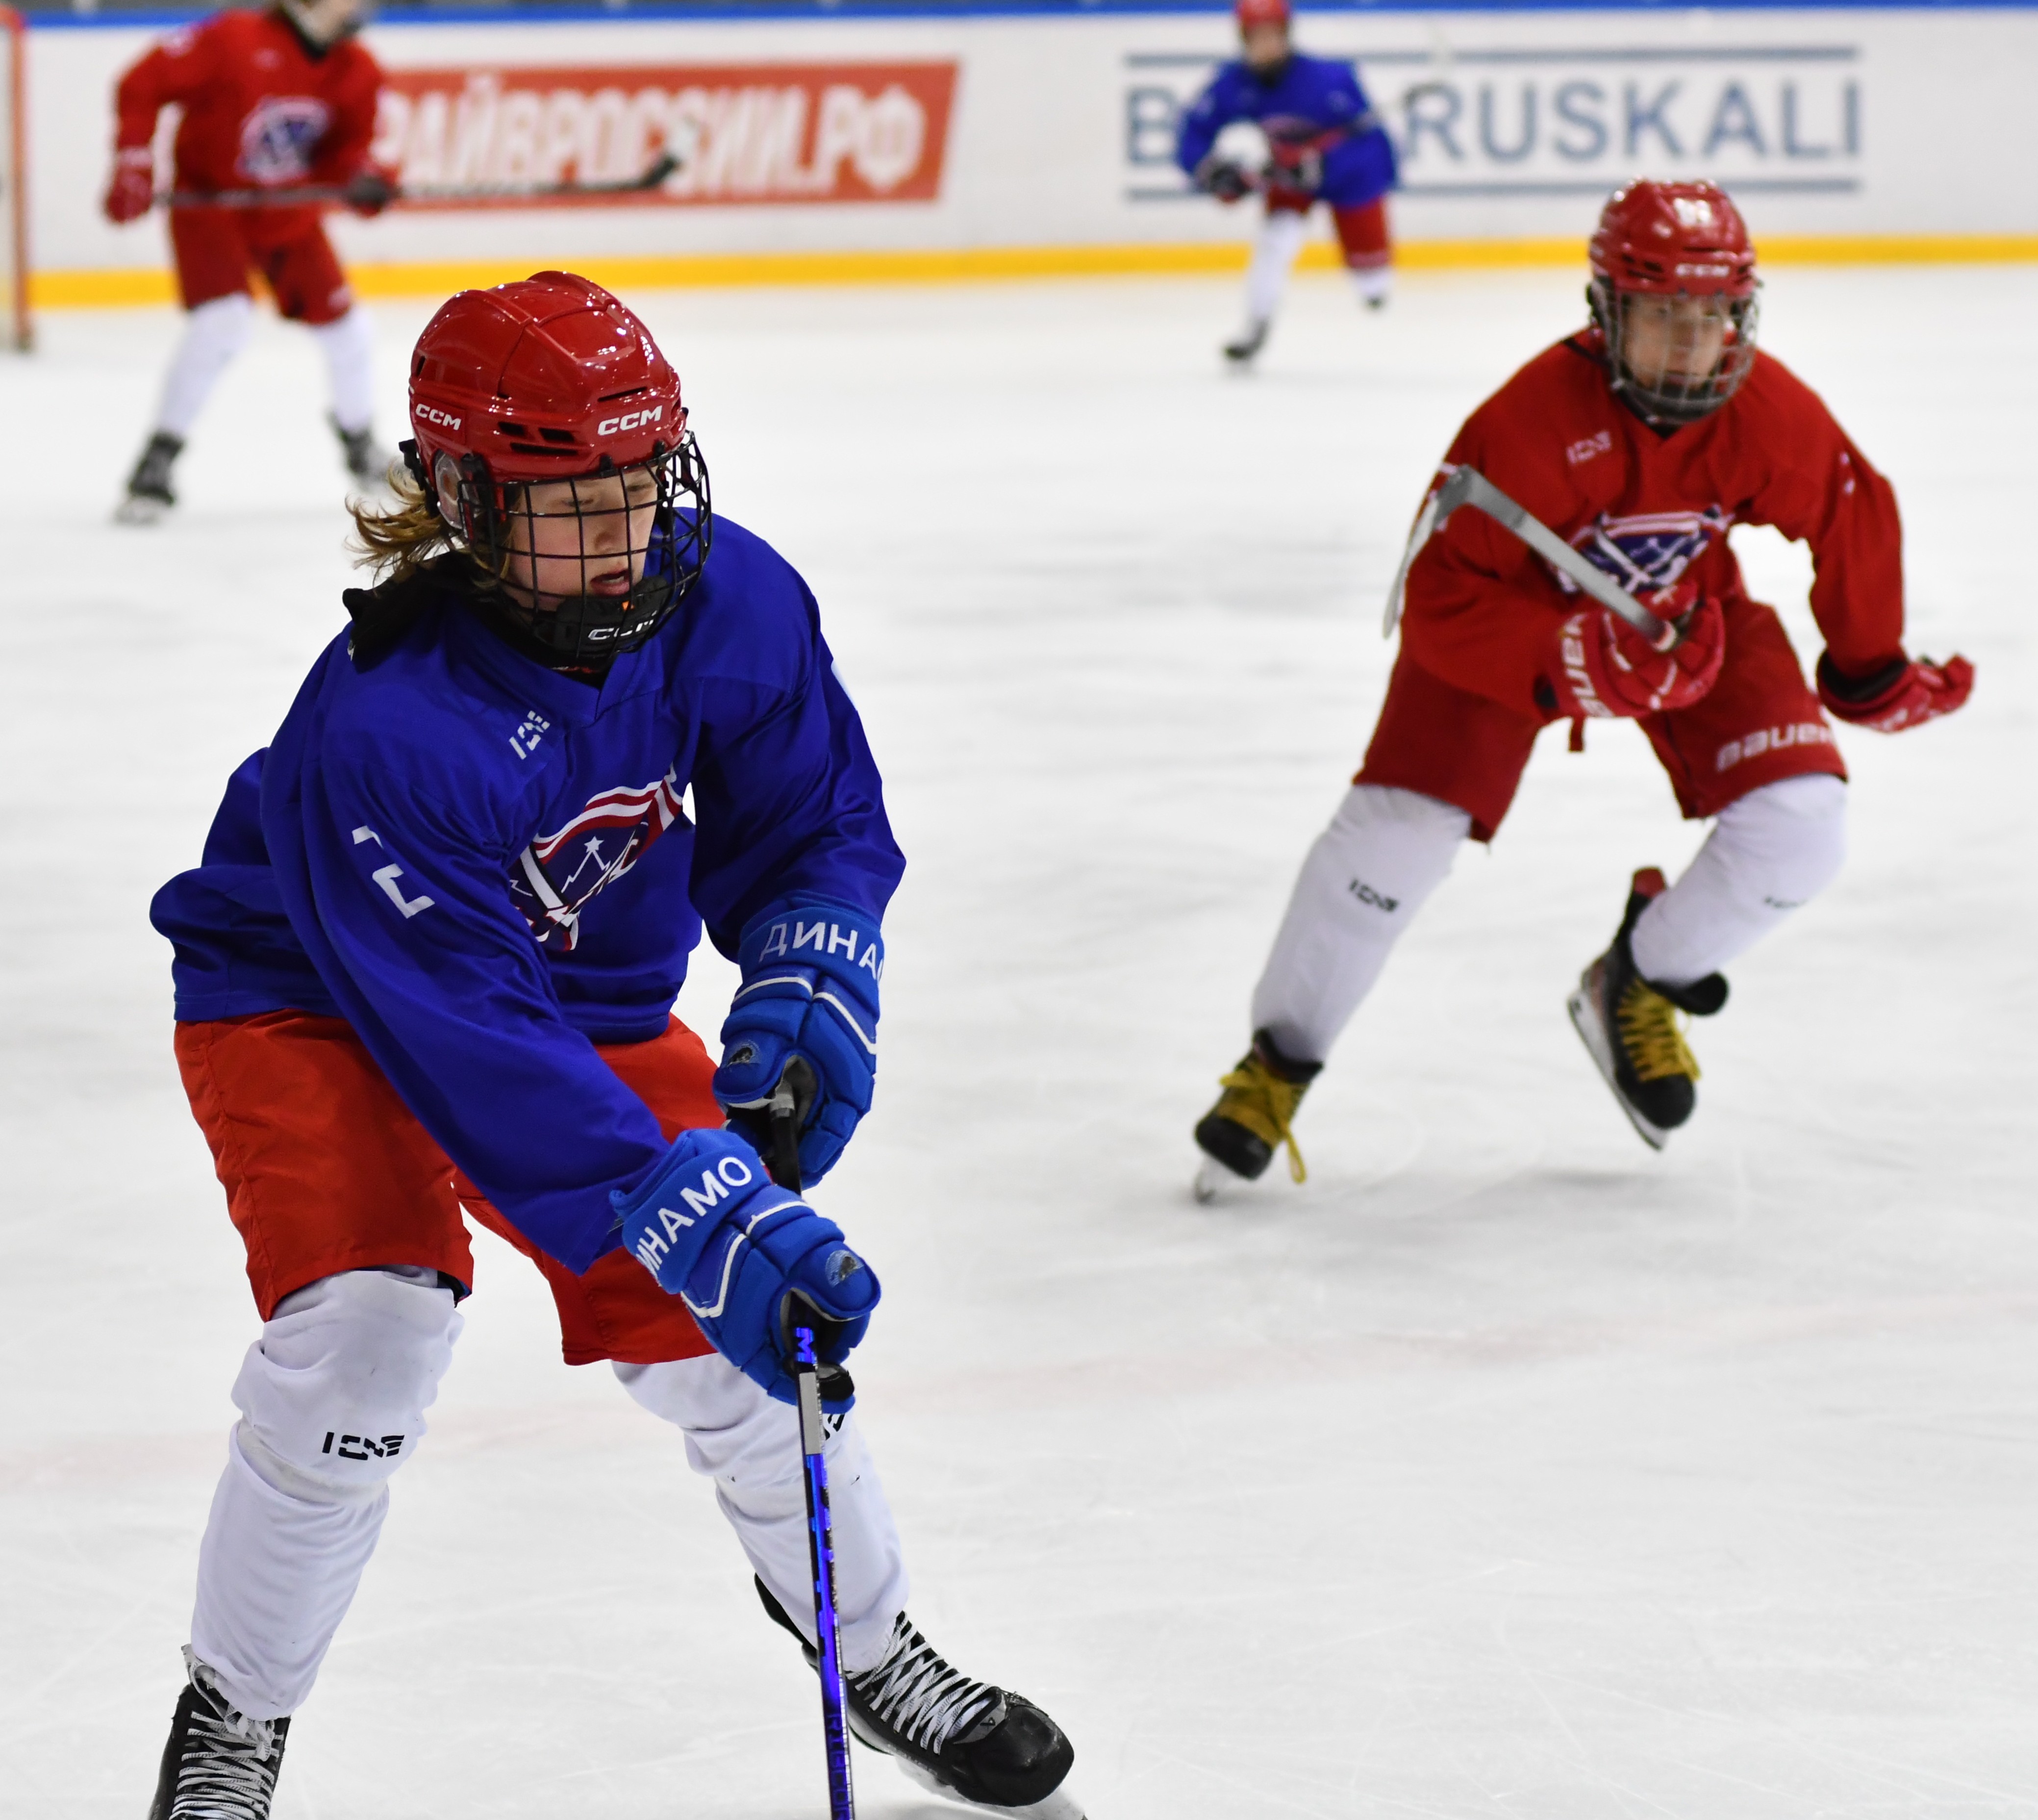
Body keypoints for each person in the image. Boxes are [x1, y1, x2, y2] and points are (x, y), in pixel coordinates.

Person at [144, 272, 1082, 1820]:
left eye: (642, 484)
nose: (624, 532)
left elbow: (815, 824)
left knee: (748, 1337)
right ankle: (235, 1719)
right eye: (571, 502)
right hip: (309, 1002)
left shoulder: (732, 601)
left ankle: (871, 1644)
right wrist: (689, 1203)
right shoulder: (388, 726)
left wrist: (809, 968)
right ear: (459, 499)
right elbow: (476, 1051)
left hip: (565, 1002)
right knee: (366, 1339)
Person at [1192, 179, 1973, 1190]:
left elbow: (1849, 502)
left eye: (1713, 316)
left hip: (1689, 616)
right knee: (1390, 844)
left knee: (1802, 824)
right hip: (1498, 631)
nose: (1692, 346)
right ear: (1605, 312)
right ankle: (1275, 1065)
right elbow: (1437, 600)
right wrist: (1567, 655)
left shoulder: (1763, 409)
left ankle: (1637, 978)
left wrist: (1867, 667)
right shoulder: (1521, 427)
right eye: (1661, 318)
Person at [103, 0, 398, 523]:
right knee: (224, 323)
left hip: (288, 213)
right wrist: (134, 156)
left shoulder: (358, 68)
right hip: (214, 208)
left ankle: (360, 445)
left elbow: (344, 149)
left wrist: (358, 176)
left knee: (349, 330)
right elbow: (142, 83)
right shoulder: (234, 38)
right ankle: (158, 459)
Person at [1174, 0, 1398, 363]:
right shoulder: (1232, 84)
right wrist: (1210, 171)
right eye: (1256, 37)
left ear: (1287, 35)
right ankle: (1255, 324)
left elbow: (1373, 147)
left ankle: (1371, 280)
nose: (1265, 46)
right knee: (1273, 244)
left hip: (1347, 181)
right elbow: (1193, 132)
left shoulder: (1331, 80)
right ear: (1243, 39)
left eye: (1273, 36)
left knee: (1373, 281)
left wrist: (1327, 166)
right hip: (1287, 177)